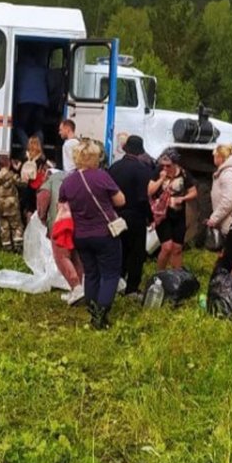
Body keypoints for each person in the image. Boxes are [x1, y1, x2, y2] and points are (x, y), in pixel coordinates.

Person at [59, 140, 125, 329]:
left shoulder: (68, 181)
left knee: (91, 273)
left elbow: (62, 206)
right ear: (95, 157)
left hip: (80, 235)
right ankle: (100, 316)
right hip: (105, 233)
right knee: (110, 274)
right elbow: (120, 201)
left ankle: (92, 308)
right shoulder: (101, 176)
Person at [108, 134, 155, 295]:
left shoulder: (114, 167)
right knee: (136, 253)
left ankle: (117, 281)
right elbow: (144, 197)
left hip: (116, 214)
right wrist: (150, 217)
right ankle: (132, 287)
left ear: (125, 149)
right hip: (136, 215)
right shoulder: (143, 170)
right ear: (139, 151)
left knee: (119, 249)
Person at [36, 168, 84, 305]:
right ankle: (78, 289)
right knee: (76, 256)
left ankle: (76, 288)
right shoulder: (77, 178)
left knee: (61, 257)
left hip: (60, 223)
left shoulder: (50, 181)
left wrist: (42, 217)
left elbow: (43, 198)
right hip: (79, 224)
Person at [148, 149, 197, 270]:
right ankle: (159, 274)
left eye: (168, 166)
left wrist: (183, 198)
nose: (165, 168)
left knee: (177, 248)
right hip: (163, 214)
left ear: (175, 164)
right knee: (167, 247)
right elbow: (149, 191)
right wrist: (161, 179)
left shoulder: (184, 174)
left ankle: (176, 276)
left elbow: (194, 192)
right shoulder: (158, 172)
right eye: (163, 165)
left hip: (178, 213)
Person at [13, 45, 50, 152]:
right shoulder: (41, 69)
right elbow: (49, 84)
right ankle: (39, 151)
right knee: (38, 128)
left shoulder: (19, 68)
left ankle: (29, 150)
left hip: (24, 102)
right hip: (41, 103)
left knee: (19, 127)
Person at [0, 155, 24, 251]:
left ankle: (6, 247)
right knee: (16, 225)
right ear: (9, 164)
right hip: (12, 205)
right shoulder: (12, 175)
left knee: (4, 227)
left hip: (0, 206)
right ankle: (18, 247)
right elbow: (22, 183)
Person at [18, 135, 49, 219]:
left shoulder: (24, 155)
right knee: (35, 207)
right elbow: (47, 168)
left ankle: (28, 226)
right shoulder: (42, 157)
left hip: (26, 184)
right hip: (36, 185)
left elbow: (18, 167)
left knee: (28, 208)